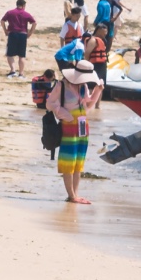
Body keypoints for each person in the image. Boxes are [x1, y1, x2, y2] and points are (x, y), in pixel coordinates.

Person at [47, 58, 103, 204]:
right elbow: (50, 104)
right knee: (68, 160)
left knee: (79, 161)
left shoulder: (83, 86)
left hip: (83, 126)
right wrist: (67, 116)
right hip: (69, 126)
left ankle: (75, 194)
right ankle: (71, 196)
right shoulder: (62, 85)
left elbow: (88, 105)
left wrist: (98, 90)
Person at [1, 0, 35, 77]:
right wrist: (30, 33)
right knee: (22, 55)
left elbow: (2, 21)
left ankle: (13, 71)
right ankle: (21, 73)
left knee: (10, 54)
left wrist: (5, 30)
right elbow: (34, 23)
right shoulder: (26, 13)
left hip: (13, 33)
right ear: (23, 6)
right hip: (23, 34)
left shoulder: (10, 12)